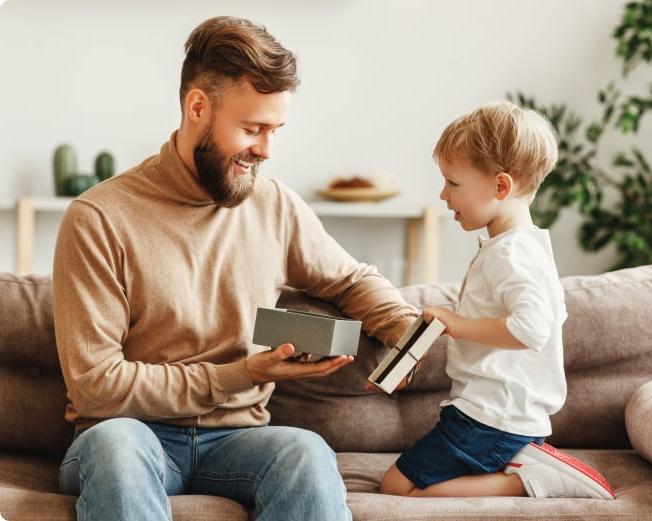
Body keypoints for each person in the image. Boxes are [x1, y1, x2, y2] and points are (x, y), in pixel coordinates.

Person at [53, 16, 419, 521]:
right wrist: (237, 375)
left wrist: (403, 328)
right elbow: (96, 384)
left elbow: (350, 278)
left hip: (239, 440)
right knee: (116, 445)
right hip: (128, 432)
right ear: (197, 106)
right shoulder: (98, 218)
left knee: (305, 452)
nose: (266, 150)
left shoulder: (272, 205)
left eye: (275, 130)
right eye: (251, 129)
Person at [378, 101, 615, 500]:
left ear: (500, 186)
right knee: (405, 485)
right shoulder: (523, 247)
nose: (443, 194)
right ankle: (524, 462)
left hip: (491, 418)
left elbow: (532, 328)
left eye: (453, 184)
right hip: (496, 415)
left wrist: (457, 323)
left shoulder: (511, 254)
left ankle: (530, 479)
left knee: (398, 487)